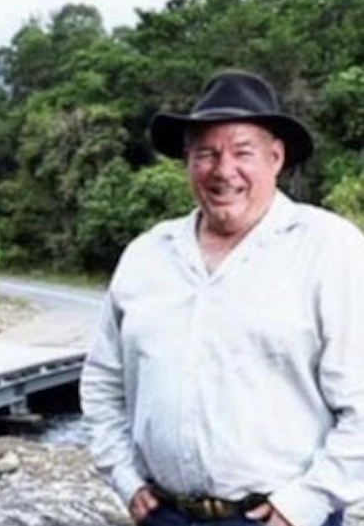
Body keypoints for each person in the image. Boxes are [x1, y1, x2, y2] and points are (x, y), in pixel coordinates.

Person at [79, 70, 364, 526]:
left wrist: (307, 502)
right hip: (163, 513)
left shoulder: (330, 248)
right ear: (188, 162)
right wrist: (124, 477)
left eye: (242, 152)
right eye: (206, 153)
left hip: (277, 516)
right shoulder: (147, 254)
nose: (223, 170)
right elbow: (102, 381)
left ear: (276, 158)